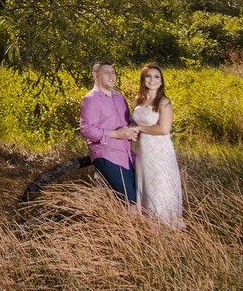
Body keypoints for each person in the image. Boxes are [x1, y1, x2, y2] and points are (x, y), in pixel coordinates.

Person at [132, 63, 185, 228]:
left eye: (156, 77)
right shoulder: (138, 100)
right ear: (143, 80)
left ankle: (166, 226)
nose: (152, 80)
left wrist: (140, 128)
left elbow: (163, 129)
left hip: (160, 152)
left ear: (161, 81)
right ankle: (149, 226)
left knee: (160, 187)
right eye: (148, 76)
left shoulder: (164, 102)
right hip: (143, 152)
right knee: (146, 186)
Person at [79, 61, 138, 204]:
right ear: (95, 75)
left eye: (113, 72)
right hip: (107, 156)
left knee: (140, 199)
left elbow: (126, 122)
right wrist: (117, 134)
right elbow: (86, 130)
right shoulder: (90, 99)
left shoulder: (119, 97)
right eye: (106, 72)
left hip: (128, 156)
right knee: (131, 202)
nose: (111, 76)